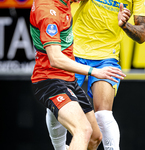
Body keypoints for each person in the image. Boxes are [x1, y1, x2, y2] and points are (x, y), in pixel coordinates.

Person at [46, 0, 145, 149]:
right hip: (75, 50)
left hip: (106, 57)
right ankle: (60, 148)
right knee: (56, 102)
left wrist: (124, 25)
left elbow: (142, 34)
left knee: (103, 115)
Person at [29, 0, 126, 150]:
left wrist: (121, 22)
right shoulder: (49, 13)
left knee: (95, 137)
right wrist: (94, 71)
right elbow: (55, 59)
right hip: (50, 81)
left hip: (67, 80)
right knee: (83, 130)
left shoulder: (63, 2)